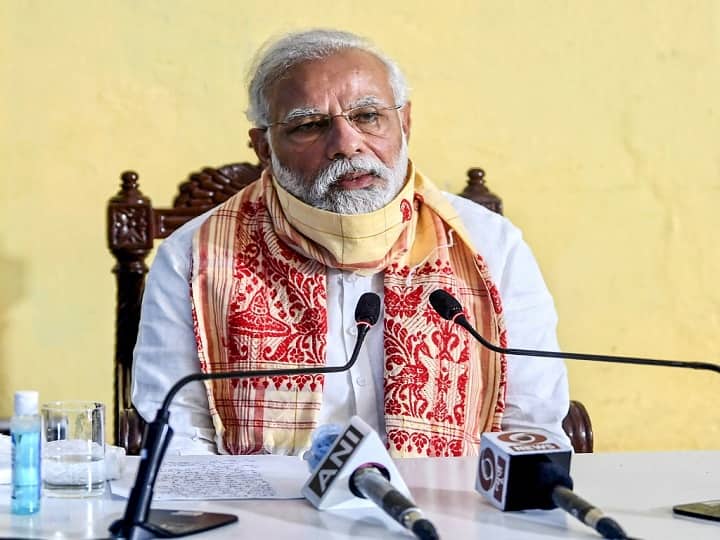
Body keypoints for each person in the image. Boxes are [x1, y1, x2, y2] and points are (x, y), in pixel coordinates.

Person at [132, 29, 569, 457]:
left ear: (405, 122)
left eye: (368, 116)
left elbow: (530, 425)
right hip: (265, 502)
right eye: (309, 125)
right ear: (263, 148)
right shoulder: (195, 259)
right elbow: (179, 439)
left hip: (449, 498)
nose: (346, 144)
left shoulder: (490, 246)